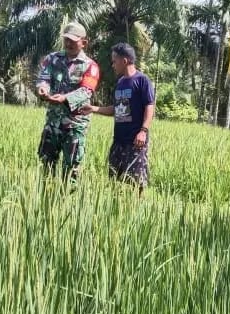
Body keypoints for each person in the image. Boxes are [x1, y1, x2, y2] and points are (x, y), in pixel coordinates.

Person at [81, 43, 155, 196]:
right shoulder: (120, 83)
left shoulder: (142, 81)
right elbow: (116, 109)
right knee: (115, 178)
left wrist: (143, 131)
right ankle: (119, 209)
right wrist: (93, 108)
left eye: (115, 60)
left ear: (125, 60)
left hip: (135, 141)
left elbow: (150, 106)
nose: (112, 64)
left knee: (136, 181)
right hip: (119, 140)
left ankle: (137, 209)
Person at [35, 22, 101, 185]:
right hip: (53, 122)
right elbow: (43, 79)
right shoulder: (52, 59)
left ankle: (66, 203)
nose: (68, 43)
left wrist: (64, 98)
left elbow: (86, 90)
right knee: (46, 164)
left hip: (75, 125)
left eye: (73, 40)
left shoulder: (90, 66)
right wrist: (42, 89)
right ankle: (45, 201)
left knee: (71, 168)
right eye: (66, 40)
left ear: (84, 42)